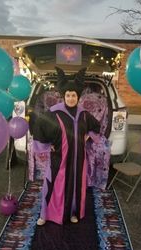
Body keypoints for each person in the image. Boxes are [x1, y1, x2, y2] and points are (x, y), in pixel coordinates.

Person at [29, 67, 101, 225]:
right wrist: (47, 146)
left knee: (76, 187)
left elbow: (96, 127)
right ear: (63, 96)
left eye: (73, 95)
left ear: (78, 97)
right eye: (68, 95)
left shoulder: (83, 114)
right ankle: (45, 214)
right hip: (59, 159)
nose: (70, 98)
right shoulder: (53, 113)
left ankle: (73, 213)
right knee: (53, 185)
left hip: (78, 160)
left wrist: (88, 136)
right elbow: (40, 126)